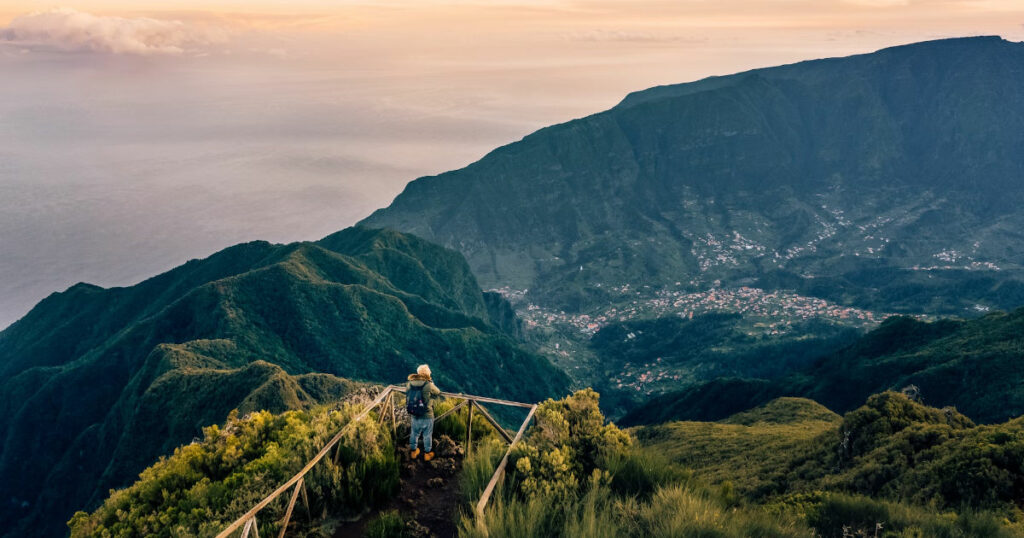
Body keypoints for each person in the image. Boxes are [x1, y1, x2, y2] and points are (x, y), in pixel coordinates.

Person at [406, 364, 441, 461]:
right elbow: (438, 392)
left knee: (414, 433)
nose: (431, 372)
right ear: (426, 374)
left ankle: (413, 451)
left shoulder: (410, 383)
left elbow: (407, 393)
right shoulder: (428, 385)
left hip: (414, 413)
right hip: (427, 415)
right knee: (427, 435)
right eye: (429, 371)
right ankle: (427, 453)